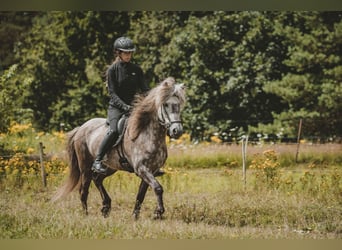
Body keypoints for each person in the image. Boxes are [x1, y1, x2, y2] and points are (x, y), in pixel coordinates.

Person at [92, 36, 150, 174]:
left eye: (130, 52)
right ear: (118, 53)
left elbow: (145, 89)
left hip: (134, 107)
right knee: (114, 130)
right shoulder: (113, 70)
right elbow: (112, 93)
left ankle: (149, 161)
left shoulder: (137, 69)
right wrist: (124, 107)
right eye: (125, 52)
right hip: (116, 107)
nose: (128, 55)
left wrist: (151, 99)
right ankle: (98, 160)